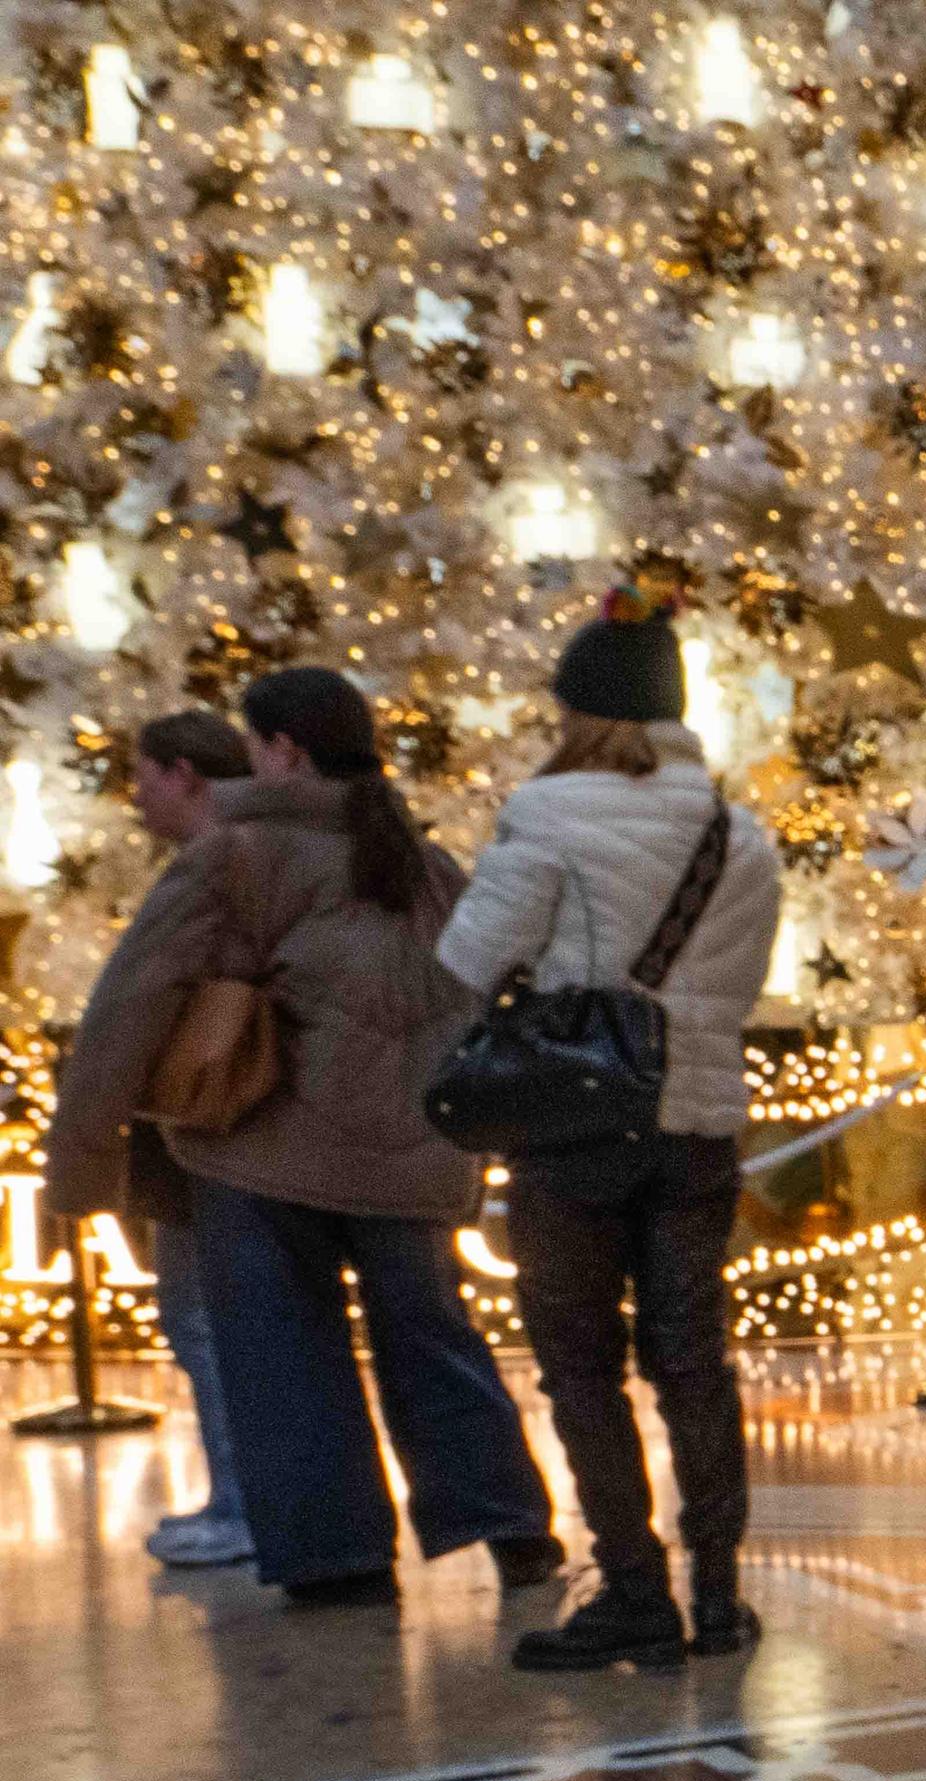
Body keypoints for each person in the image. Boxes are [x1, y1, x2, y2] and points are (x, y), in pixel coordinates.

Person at [51, 669, 555, 1606]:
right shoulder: (424, 863)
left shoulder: (235, 855)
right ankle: (508, 1524)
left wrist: (79, 1161)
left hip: (264, 1153)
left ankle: (337, 1560)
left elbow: (131, 1003)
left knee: (284, 1359)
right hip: (414, 1151)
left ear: (282, 751)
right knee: (435, 1336)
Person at [436, 593, 785, 1670]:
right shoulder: (744, 834)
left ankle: (634, 1589)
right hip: (696, 1128)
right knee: (694, 1359)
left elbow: (465, 960)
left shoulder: (545, 816)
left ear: (578, 707)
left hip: (574, 1133)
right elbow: (739, 984)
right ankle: (719, 1595)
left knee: (581, 1363)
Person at [40, 711, 258, 1568]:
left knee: (202, 1318)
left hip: (203, 1118)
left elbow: (133, 1007)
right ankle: (244, 1501)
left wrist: (86, 1129)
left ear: (185, 775)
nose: (134, 795)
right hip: (232, 1117)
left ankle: (242, 1505)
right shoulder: (261, 855)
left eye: (143, 775)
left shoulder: (213, 866)